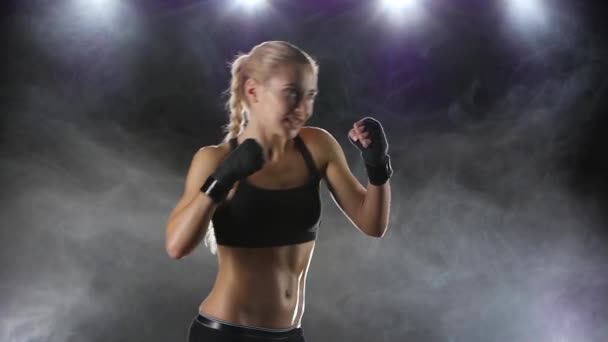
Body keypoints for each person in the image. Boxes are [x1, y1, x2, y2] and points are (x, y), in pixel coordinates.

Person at [165, 41, 393, 342]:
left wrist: (377, 166)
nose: (303, 109)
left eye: (310, 96)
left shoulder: (317, 146)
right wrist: (221, 180)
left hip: (289, 334)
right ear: (253, 91)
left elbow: (372, 224)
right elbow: (177, 246)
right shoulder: (214, 159)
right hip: (227, 333)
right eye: (292, 94)